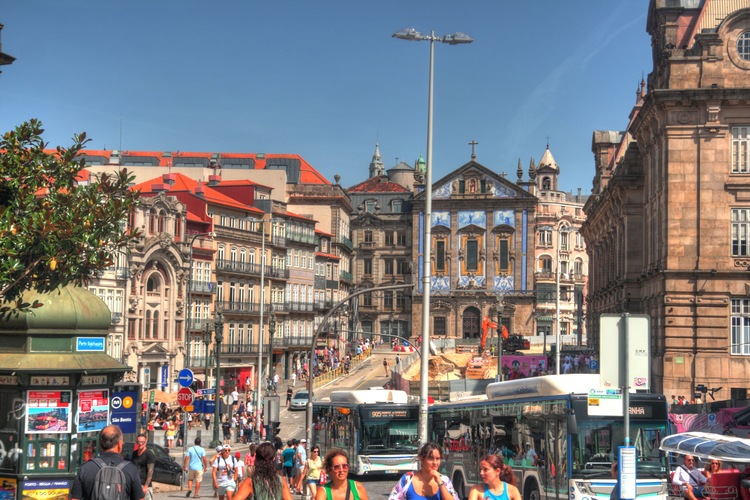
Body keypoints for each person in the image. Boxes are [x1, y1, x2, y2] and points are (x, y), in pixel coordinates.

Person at [70, 425, 145, 500]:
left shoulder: (85, 469)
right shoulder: (130, 469)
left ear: (100, 444)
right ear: (119, 444)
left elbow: (75, 498)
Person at [388, 442, 458, 500]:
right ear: (422, 458)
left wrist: (441, 484)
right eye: (431, 458)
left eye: (438, 459)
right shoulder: (408, 479)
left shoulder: (444, 481)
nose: (435, 463)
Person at [132, 434, 156, 500]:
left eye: (142, 442)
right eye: (138, 442)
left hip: (144, 485)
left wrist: (146, 486)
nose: (140, 444)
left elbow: (150, 471)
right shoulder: (134, 453)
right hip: (136, 484)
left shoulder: (149, 454)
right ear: (136, 442)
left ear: (145, 442)